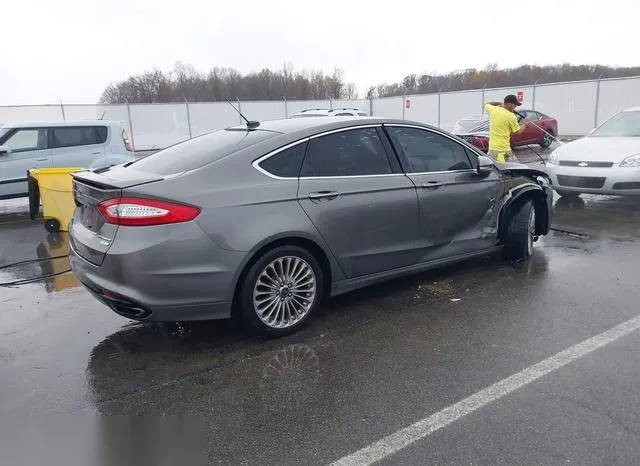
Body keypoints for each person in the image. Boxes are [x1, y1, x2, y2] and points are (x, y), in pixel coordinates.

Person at [484, 95, 529, 163]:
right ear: (509, 104)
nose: (515, 107)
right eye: (515, 105)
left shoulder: (493, 109)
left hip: (492, 149)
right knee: (515, 168)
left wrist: (499, 103)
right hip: (503, 150)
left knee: (495, 169)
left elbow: (486, 104)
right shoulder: (511, 116)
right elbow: (518, 131)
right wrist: (525, 124)